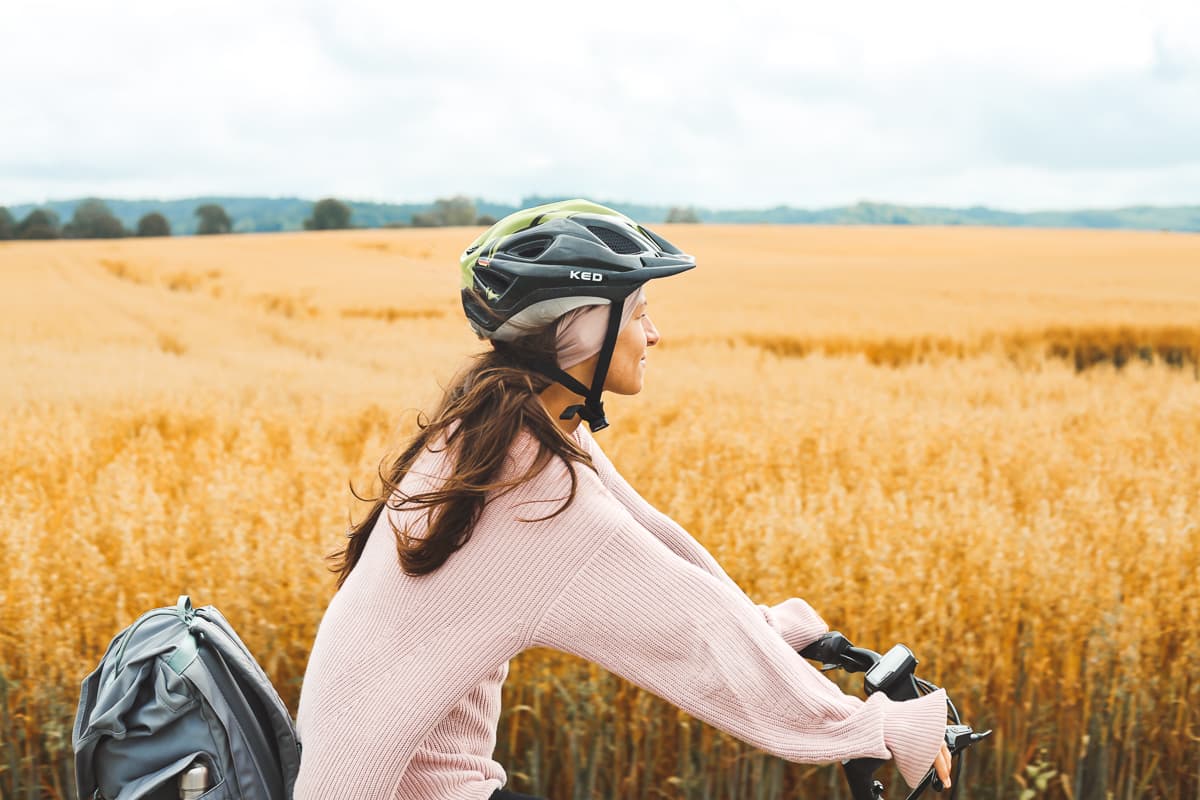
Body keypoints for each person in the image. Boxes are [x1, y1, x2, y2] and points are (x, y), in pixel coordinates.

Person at [293, 199, 952, 799]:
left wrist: (786, 633)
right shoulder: (529, 489)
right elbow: (694, 637)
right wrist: (874, 728)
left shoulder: (503, 429)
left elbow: (657, 546)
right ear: (580, 330)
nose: (655, 334)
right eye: (638, 314)